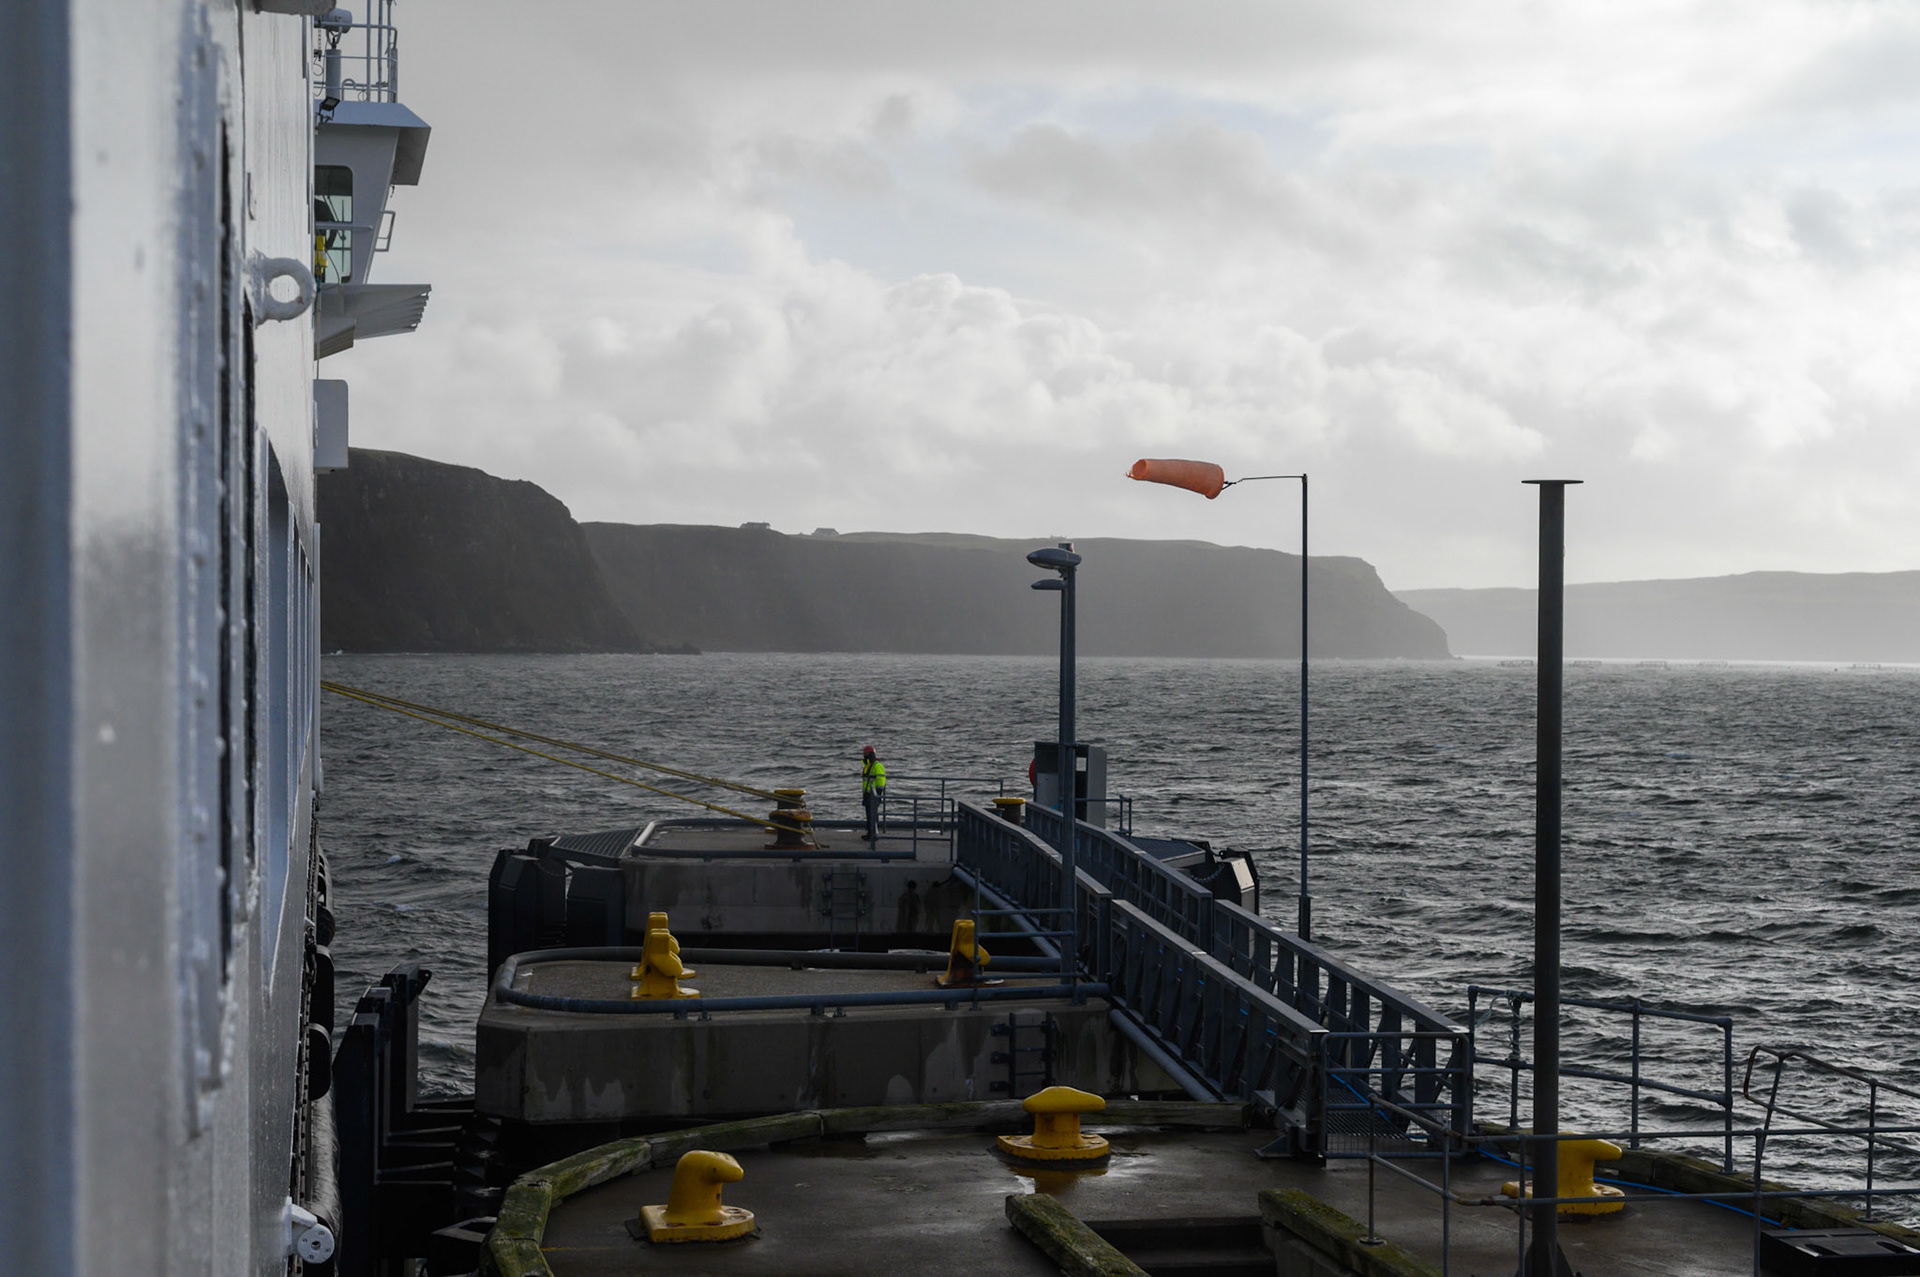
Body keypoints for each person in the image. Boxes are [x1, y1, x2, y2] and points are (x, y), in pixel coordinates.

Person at [860, 745, 887, 842]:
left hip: (874, 794)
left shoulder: (877, 765)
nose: (865, 756)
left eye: (866, 754)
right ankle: (870, 833)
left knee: (873, 814)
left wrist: (878, 794)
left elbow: (881, 780)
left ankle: (874, 834)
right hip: (868, 794)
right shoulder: (867, 766)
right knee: (869, 814)